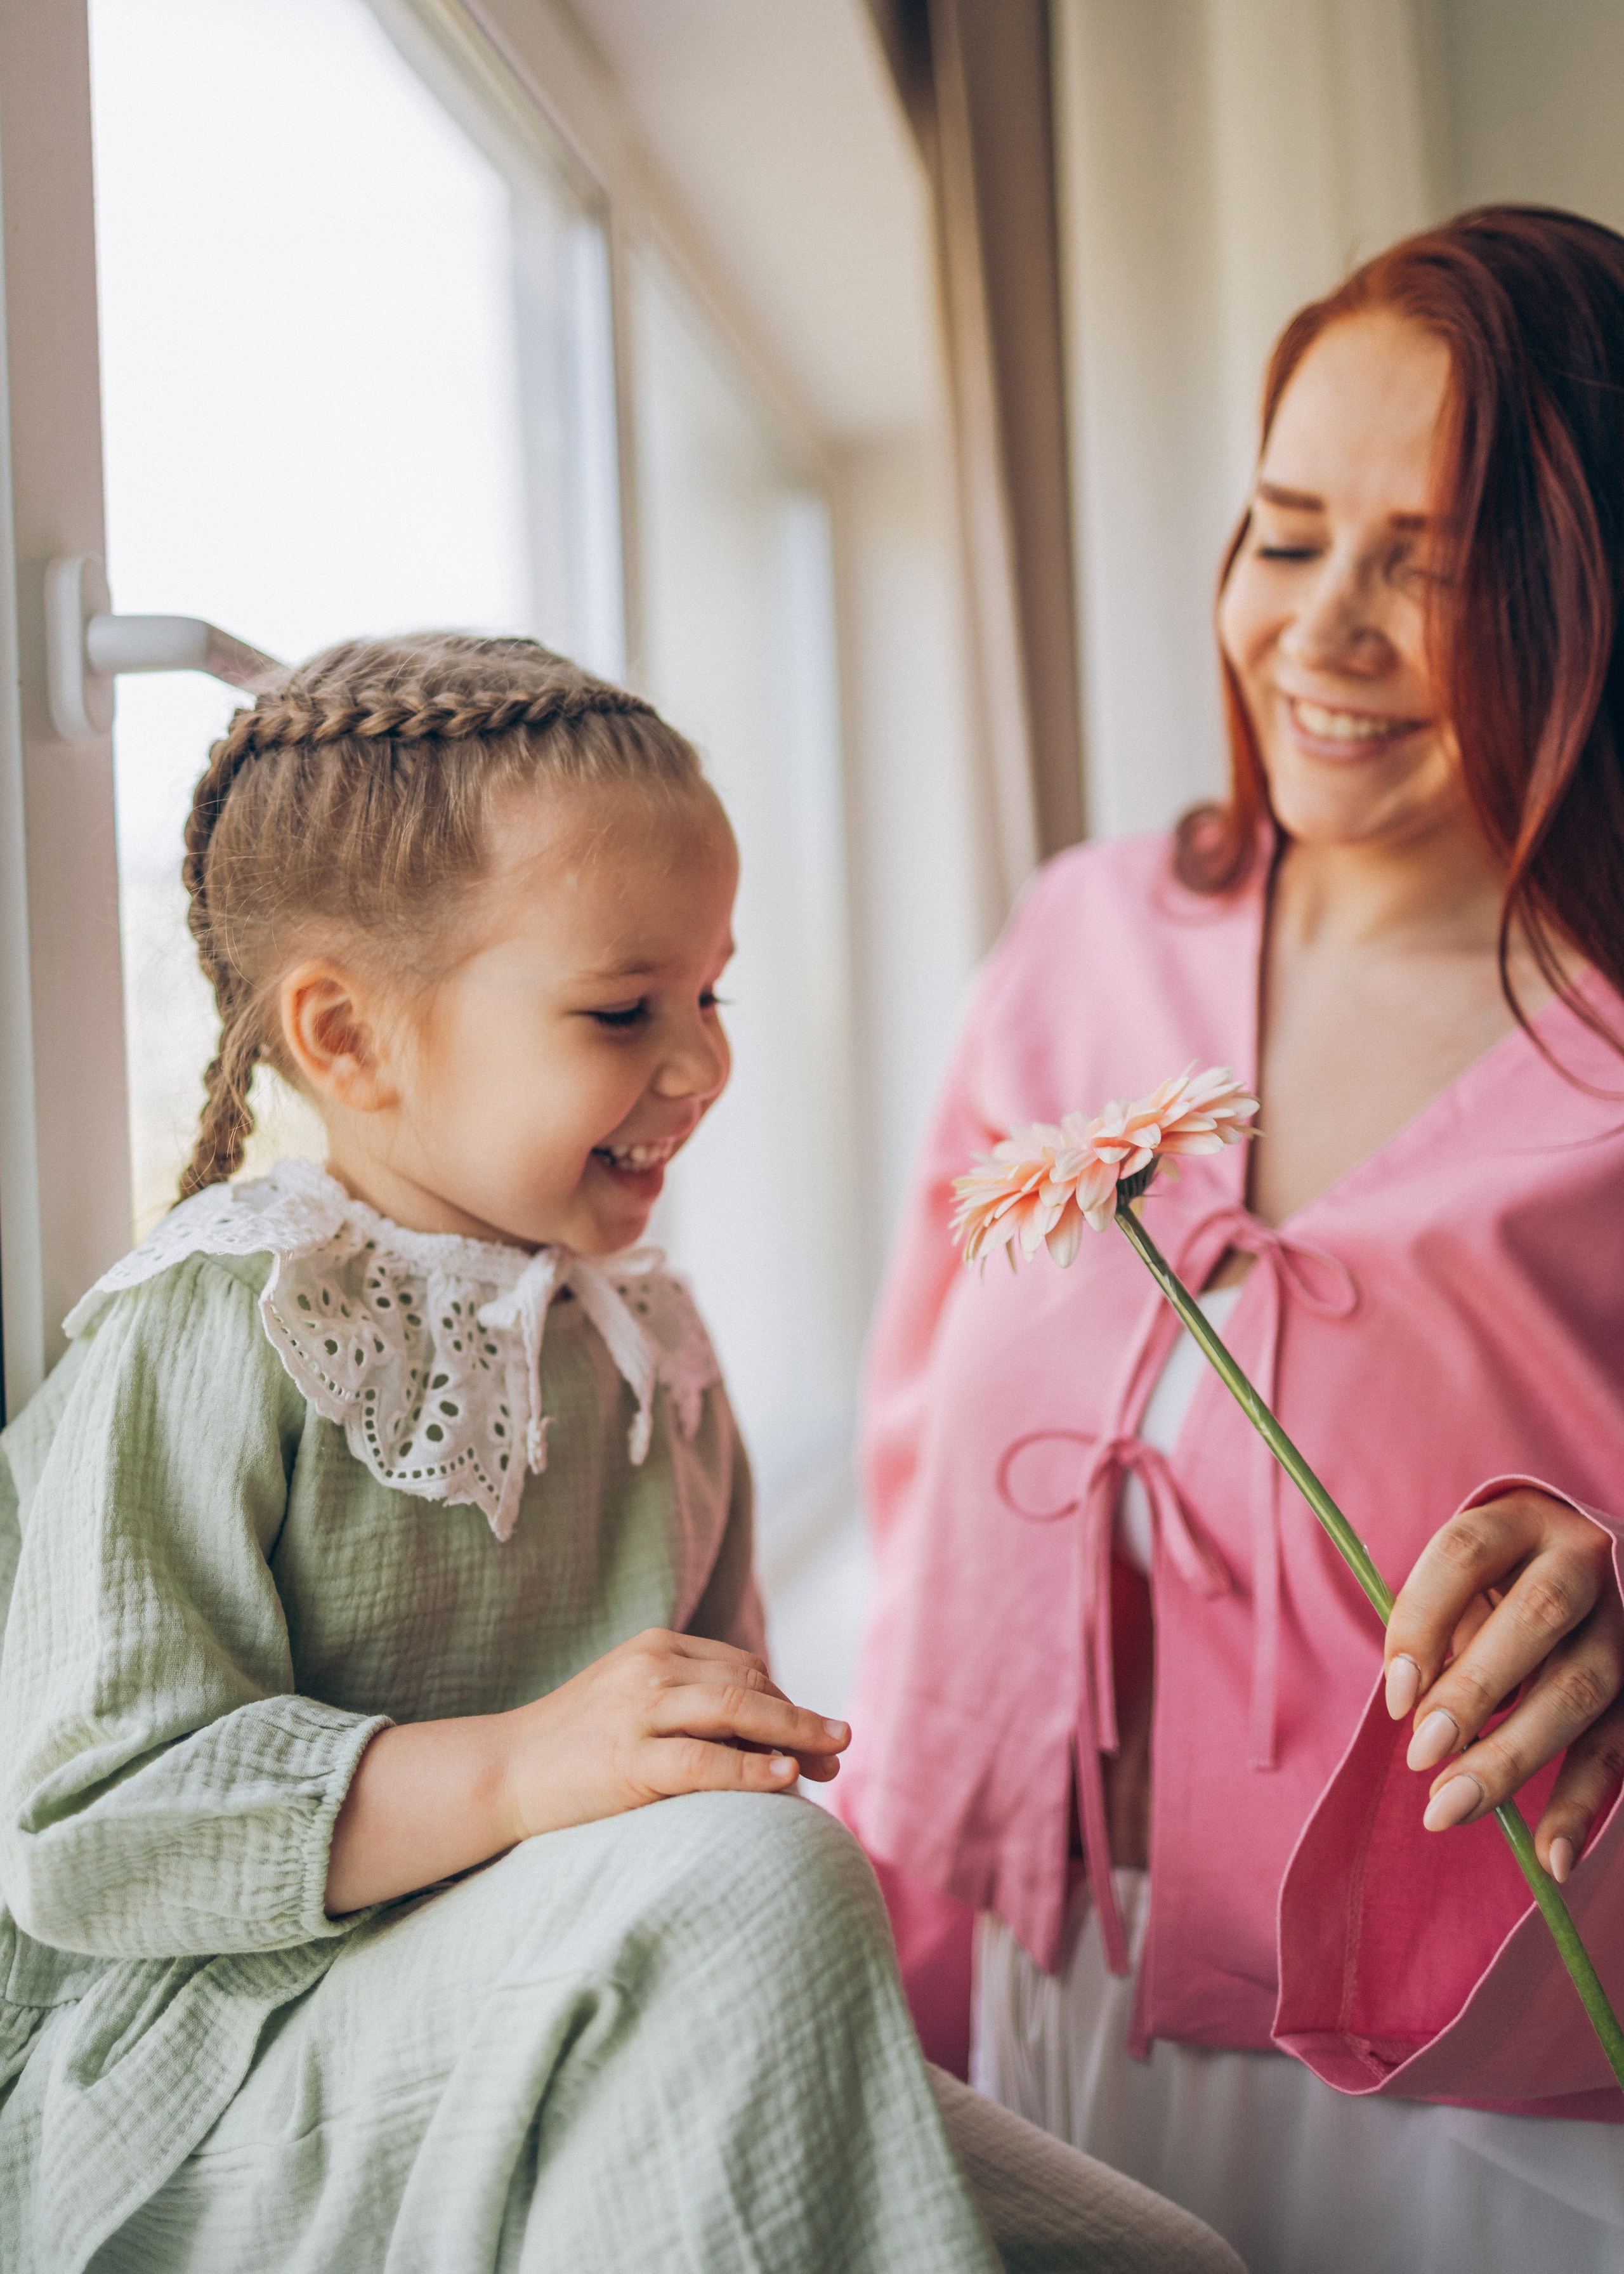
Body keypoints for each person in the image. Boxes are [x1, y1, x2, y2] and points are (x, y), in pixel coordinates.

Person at [0, 634, 1242, 2274]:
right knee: (756, 1885)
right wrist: (521, 1771)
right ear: (349, 1038)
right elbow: (92, 1827)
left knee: (1164, 2262)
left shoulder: (649, 1347)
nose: (704, 1061)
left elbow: (704, 1779)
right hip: (236, 2083)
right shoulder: (223, 1321)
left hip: (601, 2010)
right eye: (622, 1009)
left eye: (711, 991)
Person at [839, 205, 1624, 2274]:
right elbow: (923, 1479)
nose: (1325, 634)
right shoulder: (1085, 937)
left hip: (1475, 2064)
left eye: (1433, 568)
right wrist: (884, 1970)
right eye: (1286, 539)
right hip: (1054, 2001)